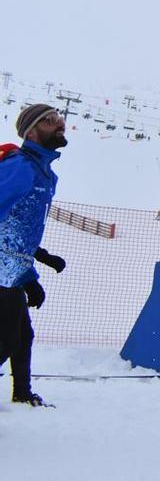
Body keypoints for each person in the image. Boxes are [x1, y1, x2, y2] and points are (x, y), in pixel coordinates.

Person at [0, 104, 69, 407]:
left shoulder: (42, 171)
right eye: (49, 121)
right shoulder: (21, 167)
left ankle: (22, 393)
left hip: (11, 271)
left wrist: (30, 276)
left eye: (59, 119)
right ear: (31, 131)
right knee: (6, 340)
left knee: (22, 335)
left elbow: (18, 232)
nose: (59, 124)